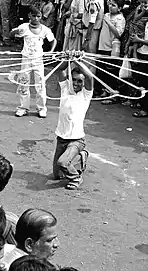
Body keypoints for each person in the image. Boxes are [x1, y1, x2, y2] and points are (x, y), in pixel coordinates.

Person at [53, 51, 93, 190]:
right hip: (61, 138)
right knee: (56, 175)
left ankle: (76, 178)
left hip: (76, 140)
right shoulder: (65, 89)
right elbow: (59, 70)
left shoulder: (85, 95)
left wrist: (78, 60)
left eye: (79, 81)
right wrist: (68, 59)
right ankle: (79, 159)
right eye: (74, 80)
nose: (76, 83)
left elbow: (89, 77)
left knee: (63, 163)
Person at [10, 6, 57, 118]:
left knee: (40, 83)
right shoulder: (24, 27)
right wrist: (15, 31)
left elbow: (53, 40)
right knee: (24, 82)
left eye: (38, 16)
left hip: (38, 60)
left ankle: (41, 108)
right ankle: (23, 107)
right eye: (34, 16)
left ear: (41, 17)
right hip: (26, 58)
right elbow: (12, 34)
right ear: (29, 16)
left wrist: (51, 51)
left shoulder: (45, 29)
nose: (36, 18)